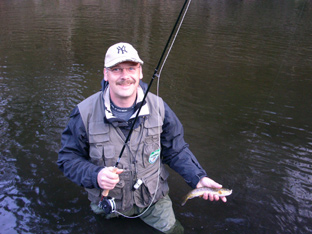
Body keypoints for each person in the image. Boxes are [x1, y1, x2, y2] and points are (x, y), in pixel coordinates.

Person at [57, 42, 227, 233]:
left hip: (154, 201)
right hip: (108, 203)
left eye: (131, 68)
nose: (125, 76)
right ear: (106, 74)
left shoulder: (160, 108)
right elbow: (67, 159)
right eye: (116, 69)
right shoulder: (83, 113)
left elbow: (176, 150)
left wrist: (198, 178)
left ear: (140, 72)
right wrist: (95, 175)